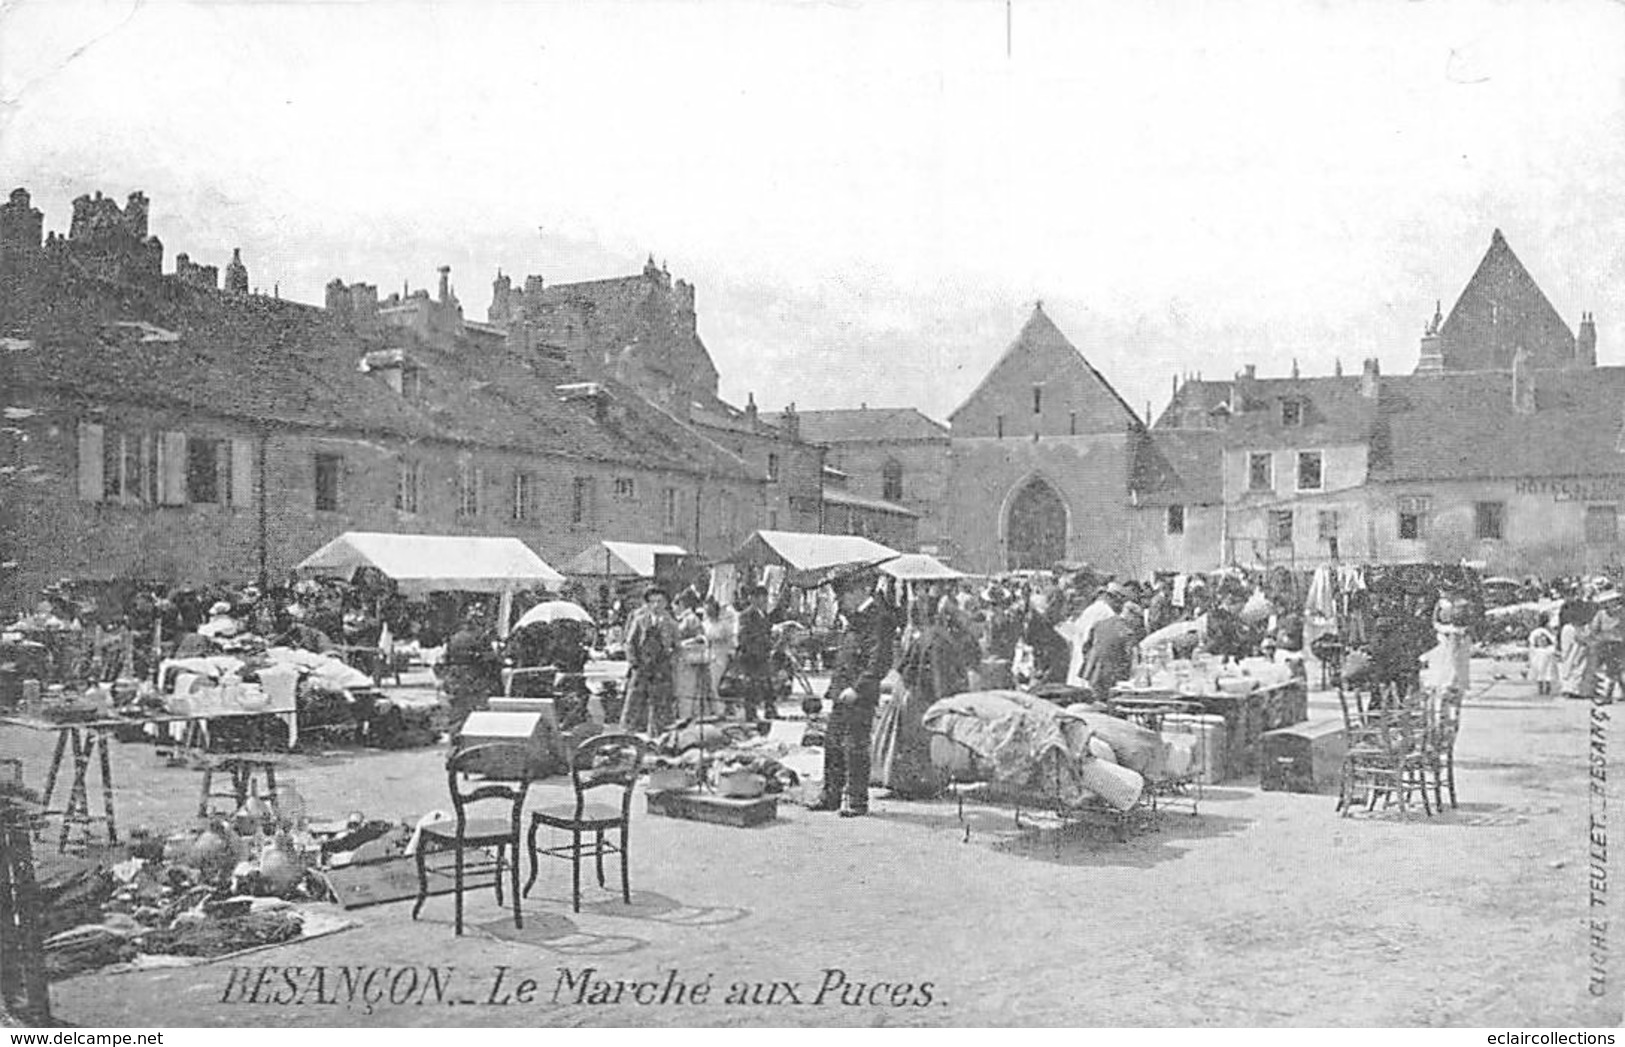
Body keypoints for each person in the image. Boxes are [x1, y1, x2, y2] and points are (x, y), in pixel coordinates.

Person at [811, 569, 896, 817]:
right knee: (833, 743)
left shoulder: (879, 618)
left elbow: (879, 661)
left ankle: (857, 800)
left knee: (856, 746)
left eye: (845, 594)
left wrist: (858, 689)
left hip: (859, 694)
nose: (841, 600)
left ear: (861, 590)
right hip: (842, 691)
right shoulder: (855, 617)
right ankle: (831, 795)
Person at [620, 586, 679, 735]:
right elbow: (629, 643)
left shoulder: (671, 623)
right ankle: (627, 733)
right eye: (652, 602)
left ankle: (658, 735)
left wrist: (671, 661)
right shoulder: (640, 621)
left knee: (661, 703)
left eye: (659, 602)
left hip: (661, 668)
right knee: (634, 701)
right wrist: (634, 663)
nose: (656, 606)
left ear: (666, 603)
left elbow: (678, 647)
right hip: (641, 666)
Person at [441, 606, 501, 735]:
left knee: (458, 713)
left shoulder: (454, 638)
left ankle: (456, 743)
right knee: (478, 714)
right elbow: (490, 660)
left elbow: (446, 659)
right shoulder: (480, 637)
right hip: (475, 679)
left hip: (456, 679)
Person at [734, 585, 775, 721]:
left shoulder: (765, 614)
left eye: (765, 597)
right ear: (753, 599)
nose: (765, 601)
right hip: (751, 656)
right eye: (761, 597)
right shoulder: (746, 615)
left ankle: (770, 709)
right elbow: (743, 637)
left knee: (767, 683)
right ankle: (750, 713)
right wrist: (756, 647)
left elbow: (767, 633)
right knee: (751, 686)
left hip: (763, 654)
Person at [1082, 600, 1137, 699]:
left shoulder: (1099, 624)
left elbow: (1086, 646)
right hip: (1112, 675)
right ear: (1132, 616)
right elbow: (1129, 657)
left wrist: (1089, 662)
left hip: (1093, 670)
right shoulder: (1127, 632)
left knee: (1094, 699)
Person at [701, 597, 736, 718]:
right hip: (707, 655)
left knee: (714, 683)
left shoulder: (724, 625)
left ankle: (720, 709)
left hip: (720, 655)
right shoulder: (704, 624)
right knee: (707, 683)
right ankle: (713, 709)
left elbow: (730, 641)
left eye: (710, 609)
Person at [1559, 599, 1596, 701]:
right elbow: (1579, 639)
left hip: (1577, 651)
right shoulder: (1570, 628)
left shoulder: (1574, 627)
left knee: (1577, 669)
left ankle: (1574, 689)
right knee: (1575, 669)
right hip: (1575, 651)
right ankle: (1572, 690)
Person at [1528, 618, 1558, 696]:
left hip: (1545, 660)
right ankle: (1543, 688)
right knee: (1542, 674)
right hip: (1541, 660)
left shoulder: (1549, 649)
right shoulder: (1537, 650)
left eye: (1543, 640)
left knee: (1545, 674)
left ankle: (1545, 688)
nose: (1542, 641)